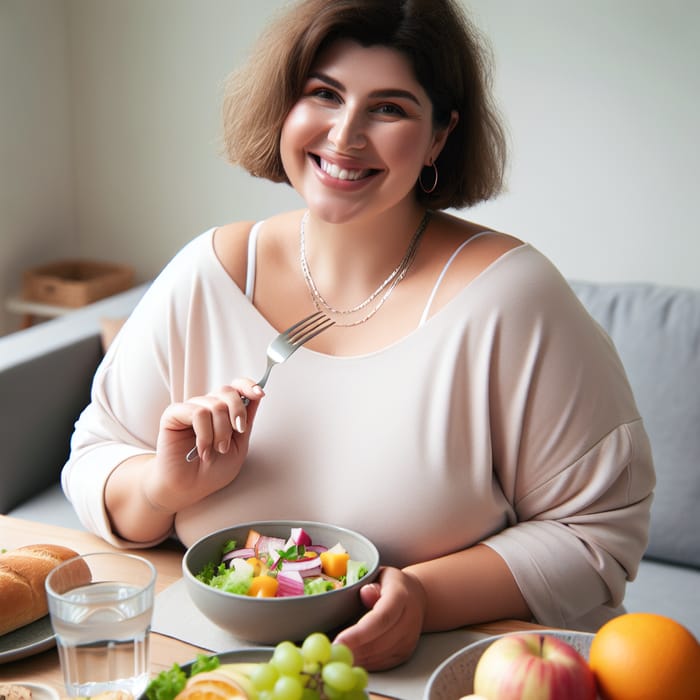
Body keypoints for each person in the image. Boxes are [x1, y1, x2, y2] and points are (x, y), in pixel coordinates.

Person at [62, 0, 655, 671]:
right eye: (324, 94)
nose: (345, 135)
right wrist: (162, 490)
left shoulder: (513, 299)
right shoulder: (208, 274)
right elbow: (94, 459)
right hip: (217, 671)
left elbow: (597, 533)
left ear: (439, 136)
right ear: (285, 106)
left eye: (390, 107)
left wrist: (424, 597)